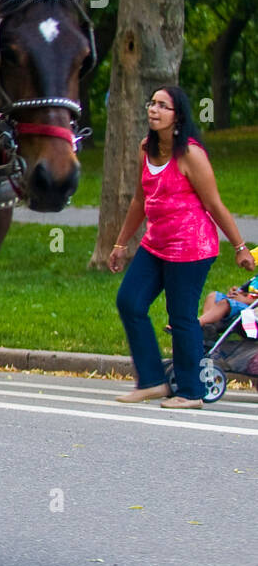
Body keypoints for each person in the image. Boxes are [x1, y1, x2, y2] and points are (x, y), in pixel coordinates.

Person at [108, 85, 256, 407]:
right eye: (152, 103)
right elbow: (139, 199)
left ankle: (191, 392)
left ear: (178, 117)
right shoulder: (146, 148)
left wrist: (240, 247)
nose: (154, 109)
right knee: (130, 302)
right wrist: (120, 243)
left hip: (191, 247)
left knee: (182, 316)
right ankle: (151, 381)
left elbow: (215, 205)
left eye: (163, 105)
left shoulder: (190, 154)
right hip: (155, 243)